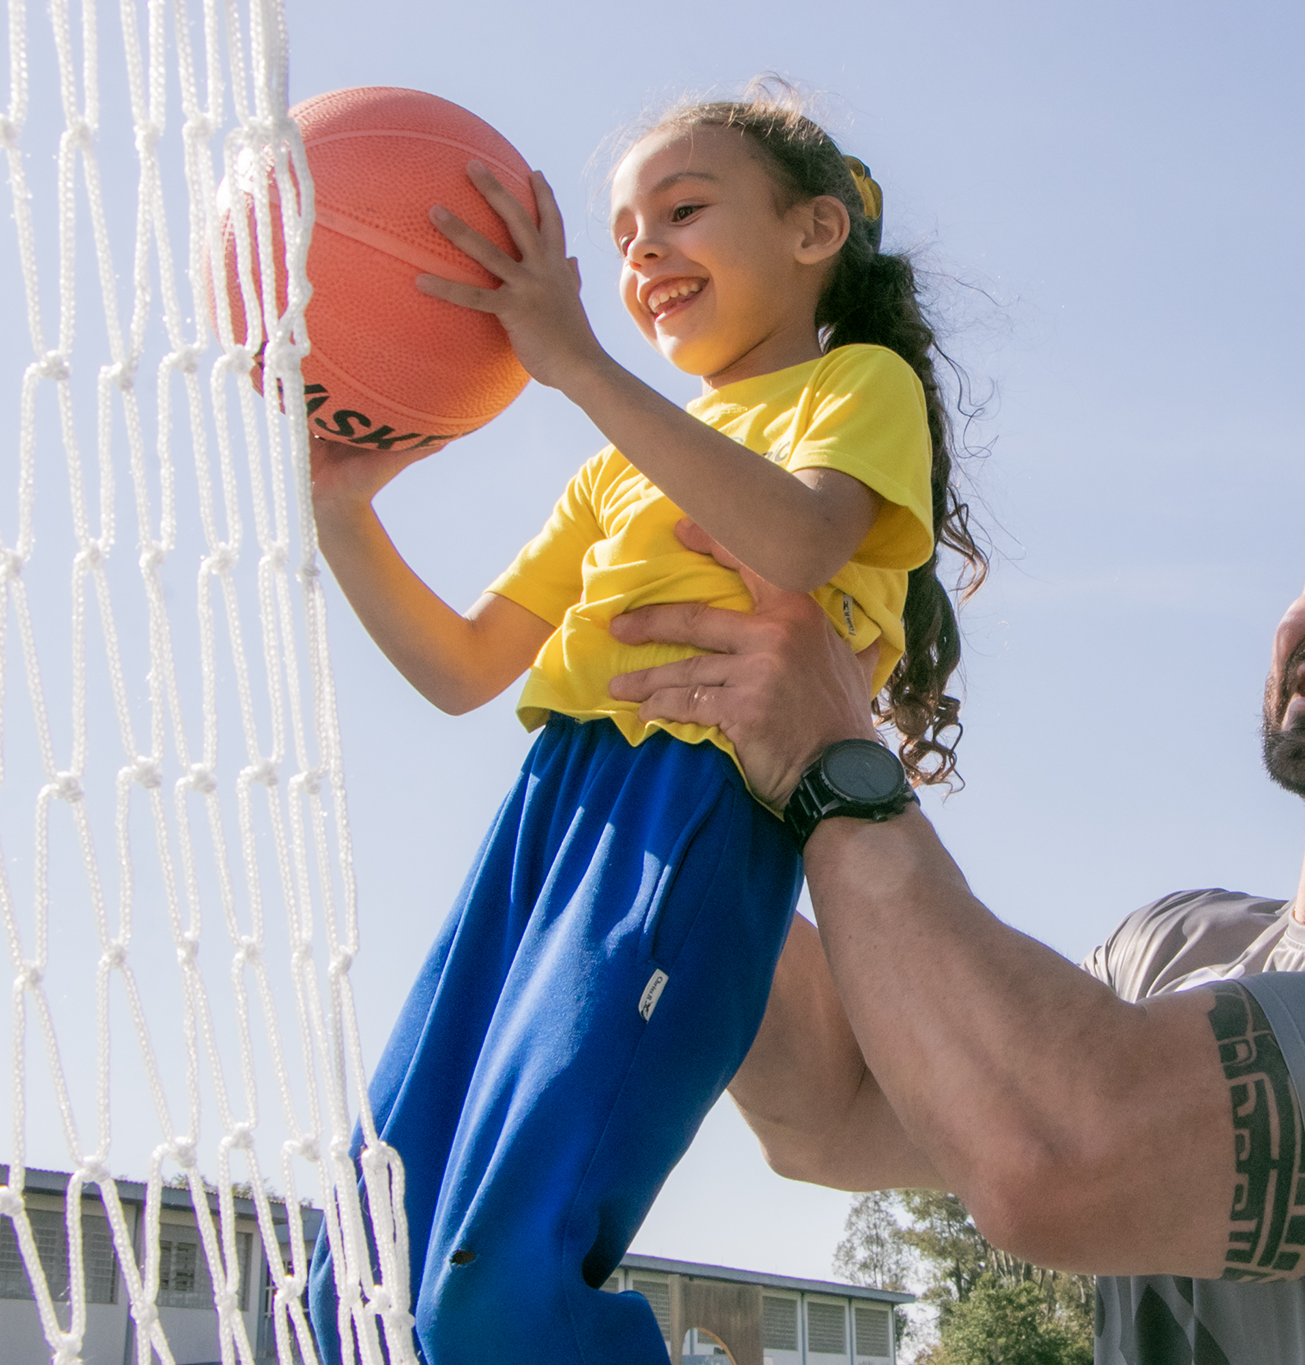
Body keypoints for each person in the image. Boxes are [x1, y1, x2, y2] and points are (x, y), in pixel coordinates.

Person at [607, 414, 1305, 1363]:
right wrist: (687, 779)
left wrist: (832, 765)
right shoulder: (1173, 948)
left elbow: (1065, 1155)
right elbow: (839, 1111)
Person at [303, 87, 985, 1365]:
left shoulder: (856, 384)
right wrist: (343, 510)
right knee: (369, 1254)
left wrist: (576, 363)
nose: (641, 255)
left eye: (682, 211)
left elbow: (792, 541)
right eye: (621, 238)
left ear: (813, 231)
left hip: (688, 826)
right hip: (545, 820)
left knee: (497, 1292)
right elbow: (460, 669)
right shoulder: (613, 467)